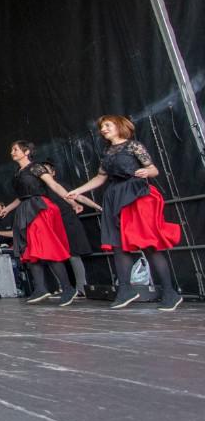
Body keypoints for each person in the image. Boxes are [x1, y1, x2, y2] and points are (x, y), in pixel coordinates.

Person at [67, 115, 182, 310]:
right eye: (102, 127)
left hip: (135, 194)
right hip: (115, 196)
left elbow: (153, 169)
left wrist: (147, 172)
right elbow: (100, 177)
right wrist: (79, 190)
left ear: (119, 126)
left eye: (107, 125)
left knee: (148, 244)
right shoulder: (106, 152)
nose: (103, 129)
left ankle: (170, 293)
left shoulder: (133, 146)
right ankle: (125, 290)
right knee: (118, 245)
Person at [0, 141, 77, 306]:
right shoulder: (18, 172)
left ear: (26, 152)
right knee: (29, 248)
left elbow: (53, 185)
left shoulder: (36, 167)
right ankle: (40, 288)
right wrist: (7, 209)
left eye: (16, 149)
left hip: (39, 207)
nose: (12, 152)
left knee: (48, 246)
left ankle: (68, 288)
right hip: (25, 209)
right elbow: (22, 196)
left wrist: (72, 202)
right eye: (12, 149)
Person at [42, 160, 100, 296]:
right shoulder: (40, 190)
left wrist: (97, 207)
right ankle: (62, 288)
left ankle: (81, 288)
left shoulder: (61, 185)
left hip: (68, 221)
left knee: (74, 254)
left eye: (46, 171)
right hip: (51, 224)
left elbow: (79, 197)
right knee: (54, 256)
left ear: (53, 173)